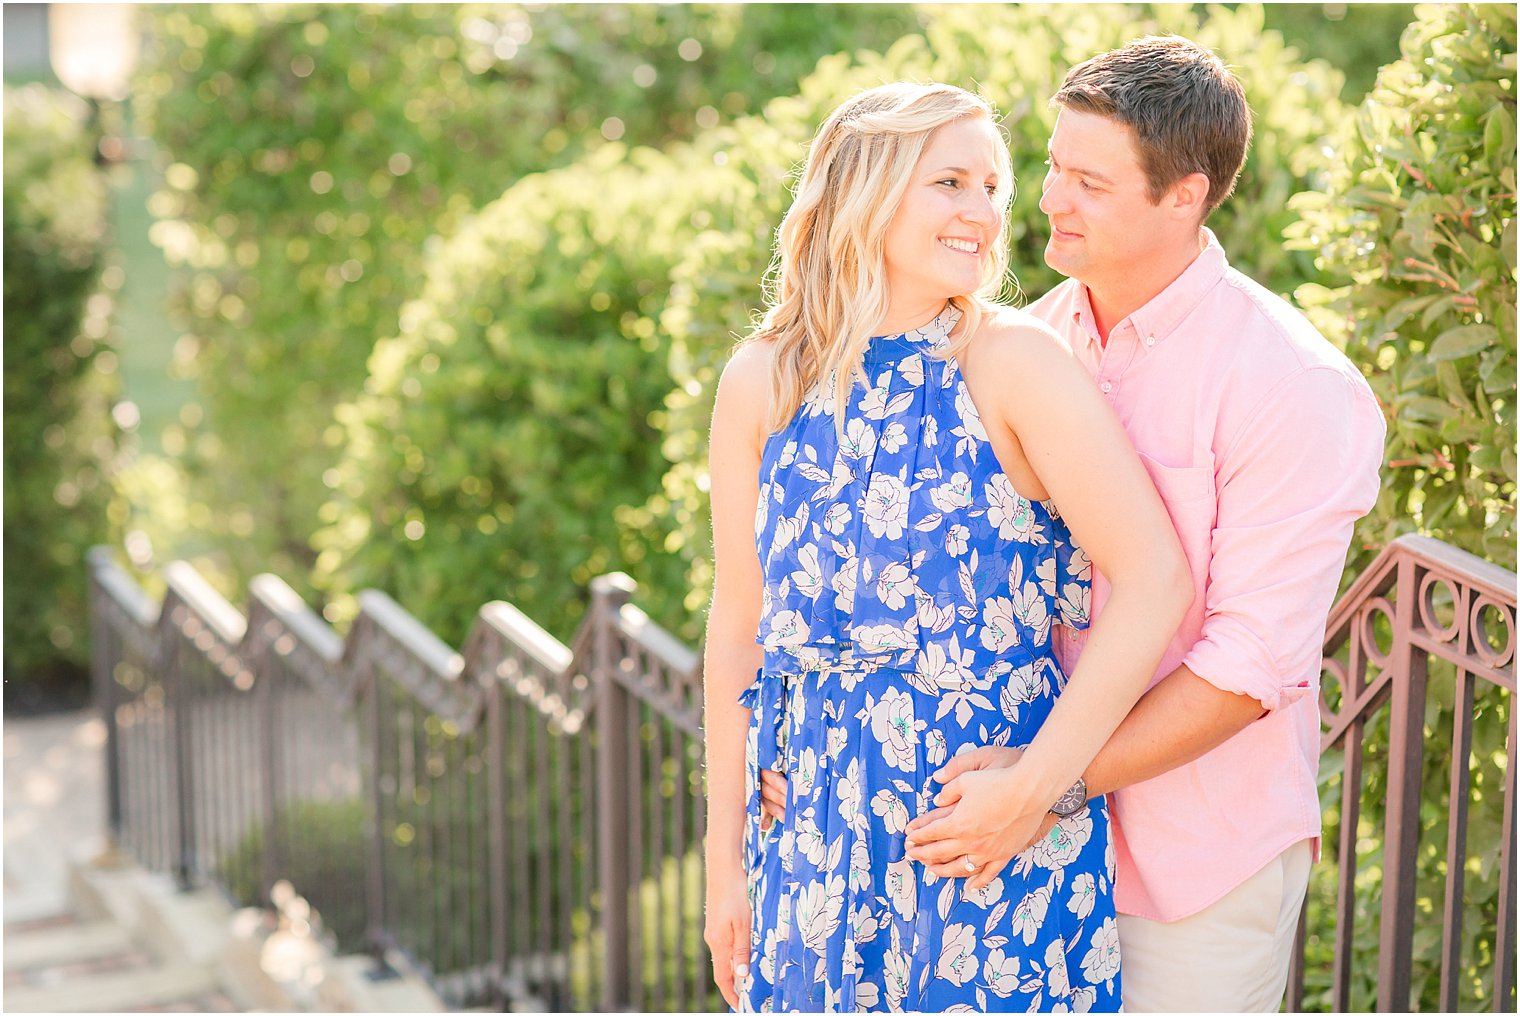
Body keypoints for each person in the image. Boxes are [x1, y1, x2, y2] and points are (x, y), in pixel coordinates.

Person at [895, 37, 1386, 1012]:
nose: (1044, 200)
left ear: (1184, 196)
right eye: (1048, 164)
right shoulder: (1025, 341)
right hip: (1012, 837)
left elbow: (1247, 665)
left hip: (1192, 868)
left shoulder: (1293, 386)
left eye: (1087, 180)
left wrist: (1044, 782)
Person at [703, 81, 1192, 1013]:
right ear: (867, 188)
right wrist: (723, 861)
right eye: (953, 183)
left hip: (979, 838)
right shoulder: (762, 379)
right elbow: (739, 628)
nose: (985, 213)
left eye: (995, 189)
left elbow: (1155, 579)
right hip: (808, 837)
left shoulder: (1012, 362)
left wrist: (1039, 788)